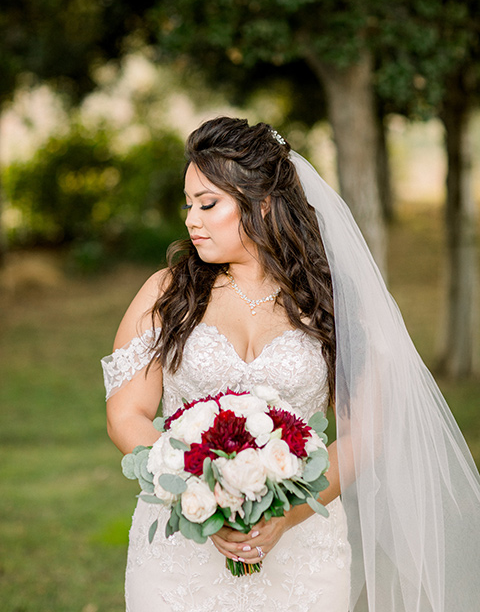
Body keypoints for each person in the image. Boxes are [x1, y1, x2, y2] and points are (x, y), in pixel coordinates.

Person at [102, 116, 480, 612]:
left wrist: (288, 515)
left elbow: (363, 432)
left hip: (304, 550)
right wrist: (198, 492)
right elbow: (125, 414)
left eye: (208, 204)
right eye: (189, 204)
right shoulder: (167, 293)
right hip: (178, 548)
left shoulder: (330, 302)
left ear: (261, 203)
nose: (191, 219)